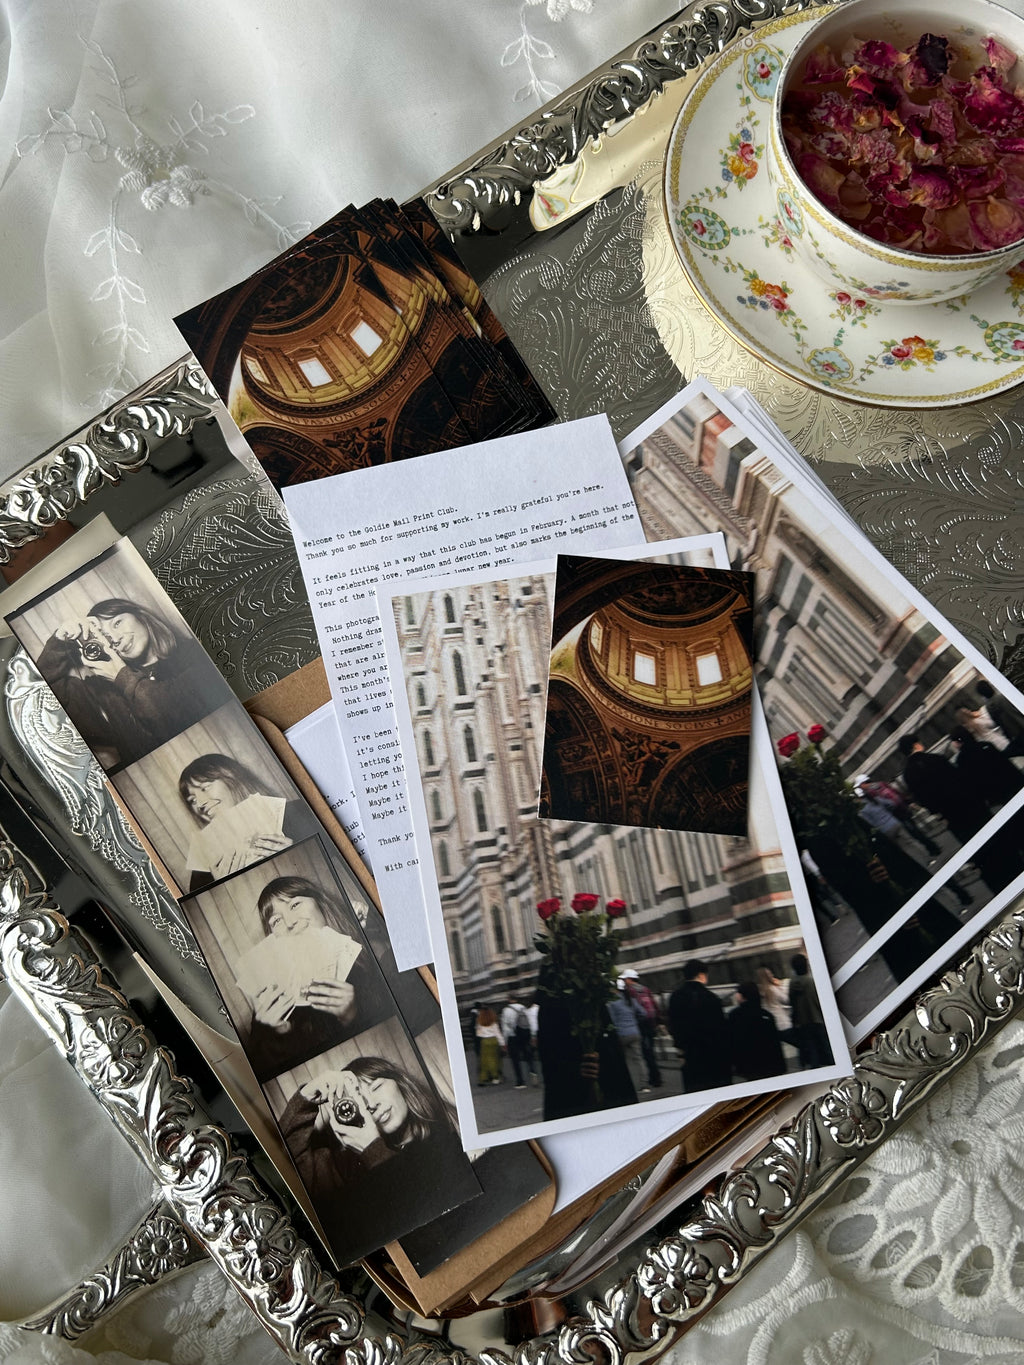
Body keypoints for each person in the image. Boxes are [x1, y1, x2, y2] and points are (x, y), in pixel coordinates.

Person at [278, 1054, 468, 1262]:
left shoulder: (453, 1133)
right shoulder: (346, 1167)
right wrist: (306, 1097)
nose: (372, 1103)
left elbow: (433, 1229)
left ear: (400, 1083)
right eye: (360, 1099)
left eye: (376, 1087)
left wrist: (375, 1151)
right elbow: (284, 1167)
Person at [241, 874, 389, 1079]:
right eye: (276, 920)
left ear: (320, 904)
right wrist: (273, 1038)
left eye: (295, 905)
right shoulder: (270, 1001)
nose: (290, 922)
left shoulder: (378, 958)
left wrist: (354, 1016)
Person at [38, 596, 216, 764]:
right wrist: (59, 641)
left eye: (117, 623)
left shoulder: (200, 655)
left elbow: (170, 712)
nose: (115, 638)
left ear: (139, 614)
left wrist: (122, 677)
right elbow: (41, 695)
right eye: (105, 637)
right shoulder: (105, 693)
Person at [178, 753, 315, 890]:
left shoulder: (299, 812)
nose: (200, 803)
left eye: (205, 787)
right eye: (193, 800)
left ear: (232, 777)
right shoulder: (205, 862)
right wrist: (221, 887)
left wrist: (301, 853)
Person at [667, 959, 732, 1092]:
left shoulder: (676, 997)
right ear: (701, 975)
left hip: (690, 1051)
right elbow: (721, 1028)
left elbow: (674, 1025)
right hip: (713, 1052)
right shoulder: (711, 997)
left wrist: (680, 1049)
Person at [728, 981, 785, 1081]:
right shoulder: (766, 1015)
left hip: (748, 1064)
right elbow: (775, 1042)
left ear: (742, 996)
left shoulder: (735, 1015)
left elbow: (733, 1041)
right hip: (769, 1062)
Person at [619, 968, 662, 1088]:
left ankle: (653, 1078)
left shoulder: (629, 991)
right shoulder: (645, 989)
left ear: (629, 979)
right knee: (651, 1051)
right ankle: (656, 1077)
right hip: (651, 1023)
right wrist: (658, 1020)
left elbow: (633, 1008)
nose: (624, 981)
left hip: (639, 1024)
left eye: (625, 979)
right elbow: (654, 1005)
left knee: (645, 1052)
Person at [787, 955, 831, 1070]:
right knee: (826, 1046)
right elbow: (818, 1001)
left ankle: (814, 1068)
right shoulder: (811, 982)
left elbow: (792, 1004)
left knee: (811, 1049)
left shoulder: (792, 984)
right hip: (816, 1018)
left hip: (802, 1022)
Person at [607, 987, 647, 1096]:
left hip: (622, 1034)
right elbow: (643, 1013)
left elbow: (612, 1019)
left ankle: (630, 1086)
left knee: (625, 1061)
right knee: (639, 1059)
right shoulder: (631, 1000)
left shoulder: (612, 1002)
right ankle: (644, 1084)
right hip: (635, 1031)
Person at [500, 997, 533, 1088]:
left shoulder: (506, 1010)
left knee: (515, 1060)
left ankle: (520, 1081)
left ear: (509, 1000)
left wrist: (505, 1041)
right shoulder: (523, 1007)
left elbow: (505, 1027)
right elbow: (529, 1021)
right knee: (528, 1055)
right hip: (523, 1035)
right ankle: (533, 1073)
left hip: (512, 1037)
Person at [475, 1006, 504, 1085]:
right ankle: (495, 1076)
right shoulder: (494, 1023)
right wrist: (502, 1043)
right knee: (494, 1059)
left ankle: (484, 1077)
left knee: (484, 1060)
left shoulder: (480, 1023)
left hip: (485, 1041)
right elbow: (498, 1034)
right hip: (494, 1040)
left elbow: (478, 1033)